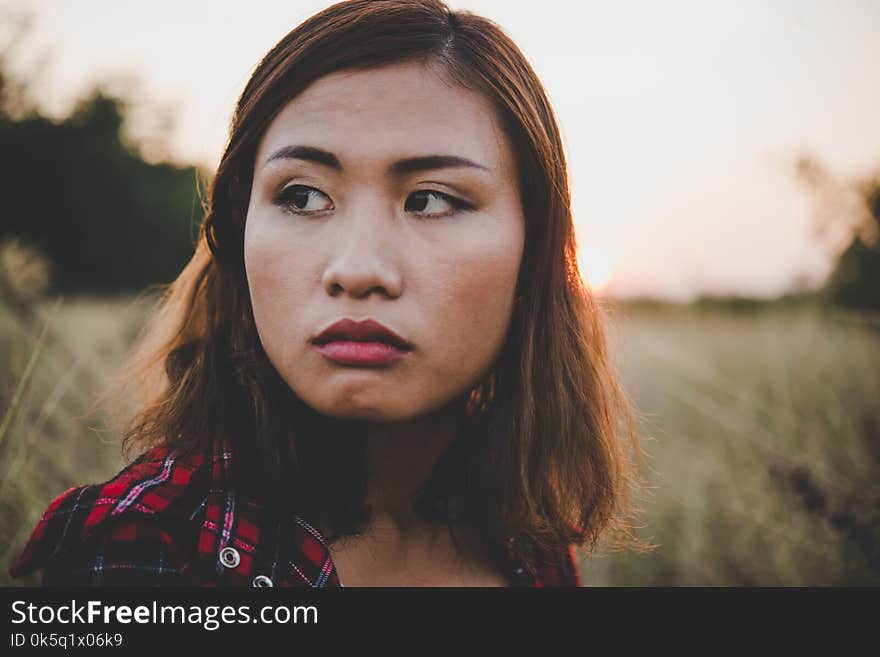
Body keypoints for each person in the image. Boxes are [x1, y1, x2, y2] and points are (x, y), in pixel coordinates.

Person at [10, 0, 647, 587]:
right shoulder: (147, 550)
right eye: (303, 196)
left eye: (430, 200)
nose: (358, 269)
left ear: (534, 254)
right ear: (237, 240)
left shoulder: (531, 552)